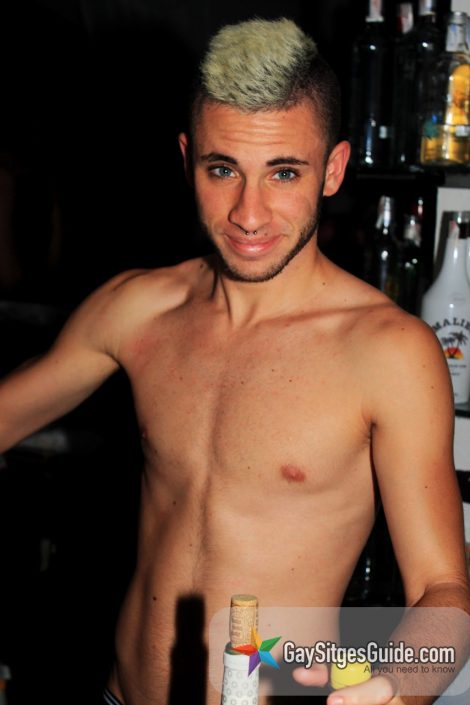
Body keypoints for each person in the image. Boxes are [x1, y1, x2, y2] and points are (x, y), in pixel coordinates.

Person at [1, 16, 469, 705]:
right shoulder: (137, 309)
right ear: (187, 157)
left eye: (284, 172)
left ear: (334, 169)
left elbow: (444, 594)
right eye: (223, 170)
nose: (249, 214)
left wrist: (399, 686)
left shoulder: (388, 353)